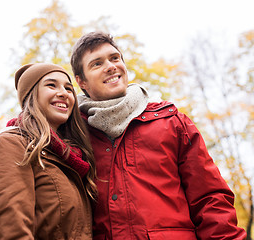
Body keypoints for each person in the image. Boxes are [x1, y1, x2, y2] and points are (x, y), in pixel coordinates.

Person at [70, 32, 247, 240]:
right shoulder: (74, 134)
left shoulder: (172, 122)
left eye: (115, 58)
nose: (110, 66)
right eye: (97, 64)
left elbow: (210, 198)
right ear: (81, 81)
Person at [0, 63, 97, 239]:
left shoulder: (72, 159)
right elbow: (9, 232)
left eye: (69, 88)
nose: (64, 93)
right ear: (31, 95)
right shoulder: (10, 145)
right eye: (51, 85)